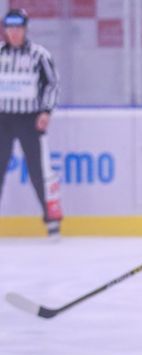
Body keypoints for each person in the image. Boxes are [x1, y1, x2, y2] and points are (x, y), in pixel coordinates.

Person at [0, 8, 61, 237]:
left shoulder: (39, 55)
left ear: (25, 29)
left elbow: (52, 84)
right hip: (2, 119)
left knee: (38, 170)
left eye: (18, 28)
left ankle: (51, 219)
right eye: (10, 28)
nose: (14, 32)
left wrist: (46, 111)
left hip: (30, 120)